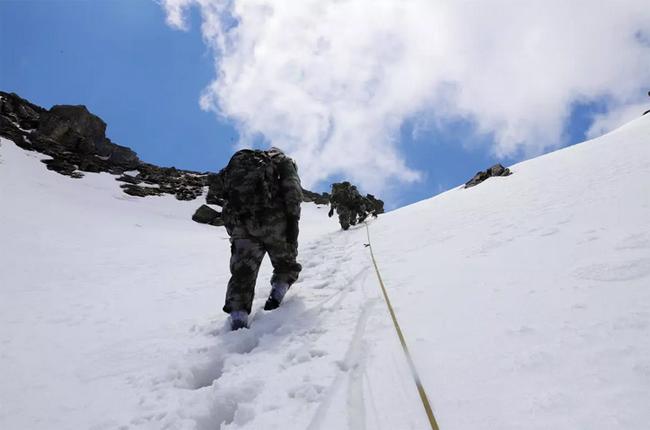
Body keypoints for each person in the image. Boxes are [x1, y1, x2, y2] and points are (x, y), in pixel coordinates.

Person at [219, 147, 303, 330]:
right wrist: (293, 221)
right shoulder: (282, 161)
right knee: (286, 263)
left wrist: (233, 228)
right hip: (273, 220)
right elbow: (292, 188)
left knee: (242, 272)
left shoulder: (242, 162)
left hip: (241, 222)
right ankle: (277, 295)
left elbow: (226, 194)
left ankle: (238, 319)